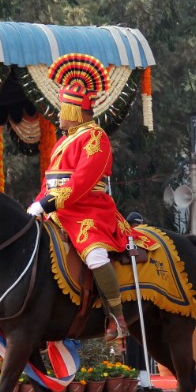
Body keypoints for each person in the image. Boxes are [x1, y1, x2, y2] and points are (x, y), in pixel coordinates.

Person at [27, 53, 130, 343]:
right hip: (59, 210)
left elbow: (83, 181)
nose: (58, 115)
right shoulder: (62, 142)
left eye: (61, 109)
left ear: (74, 110)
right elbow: (50, 181)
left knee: (95, 254)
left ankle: (117, 317)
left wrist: (47, 203)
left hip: (87, 209)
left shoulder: (96, 137)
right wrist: (36, 205)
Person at [122, 212, 161, 392]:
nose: (137, 227)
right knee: (133, 339)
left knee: (146, 339)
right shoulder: (123, 239)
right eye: (134, 224)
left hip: (144, 293)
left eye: (139, 224)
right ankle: (134, 380)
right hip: (129, 294)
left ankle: (146, 381)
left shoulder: (144, 241)